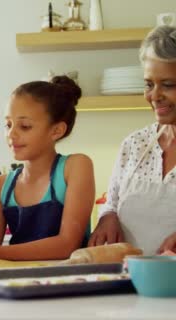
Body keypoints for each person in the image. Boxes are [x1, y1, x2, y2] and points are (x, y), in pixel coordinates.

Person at [0, 76, 95, 262]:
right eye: (8, 124)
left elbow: (67, 245)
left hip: (70, 282)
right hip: (18, 284)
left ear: (56, 130)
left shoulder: (76, 166)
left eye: (25, 126)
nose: (11, 134)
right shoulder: (2, 185)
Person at [88, 26, 176, 254]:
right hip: (131, 281)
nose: (154, 96)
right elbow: (112, 202)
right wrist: (108, 217)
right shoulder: (135, 145)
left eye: (168, 85)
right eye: (149, 84)